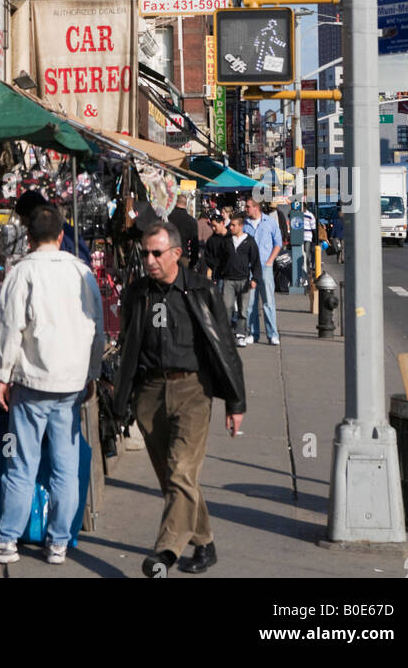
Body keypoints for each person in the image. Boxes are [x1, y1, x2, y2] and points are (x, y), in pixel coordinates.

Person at [0, 203, 104, 566]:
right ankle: (58, 543)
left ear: (28, 238)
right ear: (61, 236)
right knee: (65, 466)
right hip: (70, 386)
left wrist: (1, 374)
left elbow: (8, 327)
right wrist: (92, 373)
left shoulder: (22, 272)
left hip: (31, 385)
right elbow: (97, 328)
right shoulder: (82, 272)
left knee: (20, 463)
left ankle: (6, 540)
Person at [113, 221, 246, 578]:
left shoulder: (201, 291)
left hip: (193, 392)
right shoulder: (137, 292)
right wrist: (123, 398)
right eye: (145, 253)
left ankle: (165, 554)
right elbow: (129, 345)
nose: (149, 260)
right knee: (174, 479)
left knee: (181, 472)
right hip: (150, 394)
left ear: (176, 253)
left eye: (157, 253)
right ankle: (203, 542)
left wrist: (236, 404)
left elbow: (226, 349)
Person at [243, 197, 282, 345]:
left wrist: (270, 260)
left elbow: (278, 243)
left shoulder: (270, 222)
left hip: (265, 266)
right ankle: (253, 332)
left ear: (256, 207)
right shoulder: (245, 224)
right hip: (250, 267)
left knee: (268, 301)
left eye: (248, 207)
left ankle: (272, 334)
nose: (246, 209)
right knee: (251, 302)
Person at [220, 213, 262, 346]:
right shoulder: (227, 241)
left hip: (244, 280)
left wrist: (255, 278)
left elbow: (255, 261)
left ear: (241, 226)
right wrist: (218, 274)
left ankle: (241, 334)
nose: (230, 227)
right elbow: (220, 259)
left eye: (233, 225)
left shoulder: (249, 241)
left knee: (243, 309)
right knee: (227, 307)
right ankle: (226, 335)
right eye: (230, 225)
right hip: (228, 279)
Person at [168, 195, 199, 269]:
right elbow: (194, 243)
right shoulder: (191, 221)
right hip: (183, 256)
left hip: (169, 255)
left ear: (175, 203)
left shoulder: (168, 217)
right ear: (186, 204)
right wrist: (193, 261)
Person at [203, 212, 229, 285]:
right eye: (212, 226)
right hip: (219, 275)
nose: (213, 228)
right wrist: (215, 266)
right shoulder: (211, 240)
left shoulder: (231, 237)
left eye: (215, 225)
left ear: (222, 223)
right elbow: (208, 256)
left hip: (232, 274)